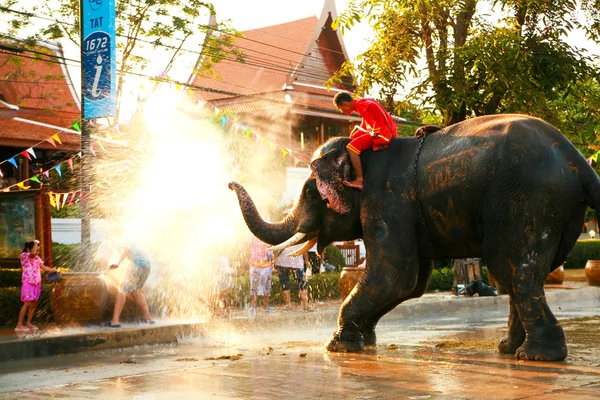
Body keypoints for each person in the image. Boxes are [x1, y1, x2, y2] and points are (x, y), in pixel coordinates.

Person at [333, 91, 398, 190]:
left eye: (340, 109)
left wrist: (377, 132)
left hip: (383, 134)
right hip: (380, 131)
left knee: (351, 148)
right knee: (352, 140)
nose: (342, 111)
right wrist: (355, 136)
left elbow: (375, 111)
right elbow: (366, 125)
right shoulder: (361, 104)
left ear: (345, 104)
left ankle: (359, 180)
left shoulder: (366, 105)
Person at [105, 242, 154, 328]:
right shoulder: (136, 238)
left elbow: (126, 249)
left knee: (122, 289)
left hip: (137, 263)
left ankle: (115, 321)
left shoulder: (124, 237)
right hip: (147, 265)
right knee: (136, 290)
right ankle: (148, 318)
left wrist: (118, 263)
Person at [15, 240, 57, 332]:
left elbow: (44, 267)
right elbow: (32, 253)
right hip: (28, 283)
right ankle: (19, 324)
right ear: (28, 249)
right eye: (36, 249)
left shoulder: (37, 258)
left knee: (33, 305)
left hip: (36, 284)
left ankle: (28, 323)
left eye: (38, 250)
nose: (37, 252)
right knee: (27, 304)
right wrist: (35, 242)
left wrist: (53, 271)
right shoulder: (24, 256)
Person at [275, 244, 313, 311]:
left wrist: (306, 261)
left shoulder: (281, 233)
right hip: (288, 263)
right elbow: (304, 248)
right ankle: (300, 305)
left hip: (292, 263)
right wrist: (306, 261)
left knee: (289, 284)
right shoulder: (299, 234)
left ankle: (300, 305)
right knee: (300, 284)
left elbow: (304, 248)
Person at [249, 236, 274, 313]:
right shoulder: (253, 238)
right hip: (255, 266)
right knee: (254, 287)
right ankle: (252, 306)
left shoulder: (268, 238)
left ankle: (266, 306)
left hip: (266, 266)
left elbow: (272, 249)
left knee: (267, 287)